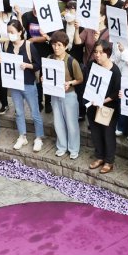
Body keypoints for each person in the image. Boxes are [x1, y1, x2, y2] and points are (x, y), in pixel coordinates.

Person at [1, 19, 44, 151]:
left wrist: (27, 65)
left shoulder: (28, 46)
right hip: (14, 85)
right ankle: (22, 136)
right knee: (19, 112)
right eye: (8, 32)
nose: (10, 35)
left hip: (29, 84)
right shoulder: (6, 45)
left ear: (20, 32)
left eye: (12, 32)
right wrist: (1, 60)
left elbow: (38, 65)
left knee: (35, 112)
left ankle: (39, 137)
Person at [83, 39, 121, 172]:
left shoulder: (115, 71)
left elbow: (116, 93)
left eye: (101, 52)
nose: (97, 55)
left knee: (107, 133)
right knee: (95, 131)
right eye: (95, 52)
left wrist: (102, 101)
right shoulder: (92, 64)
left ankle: (109, 161)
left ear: (108, 53)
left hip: (108, 107)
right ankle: (99, 156)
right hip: (93, 104)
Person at [47, 31, 84, 159]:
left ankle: (74, 148)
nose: (56, 48)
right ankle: (61, 146)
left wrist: (70, 83)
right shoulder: (49, 58)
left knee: (71, 123)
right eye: (54, 45)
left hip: (69, 95)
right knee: (58, 122)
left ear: (66, 46)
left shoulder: (71, 61)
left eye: (59, 45)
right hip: (55, 94)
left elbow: (80, 78)